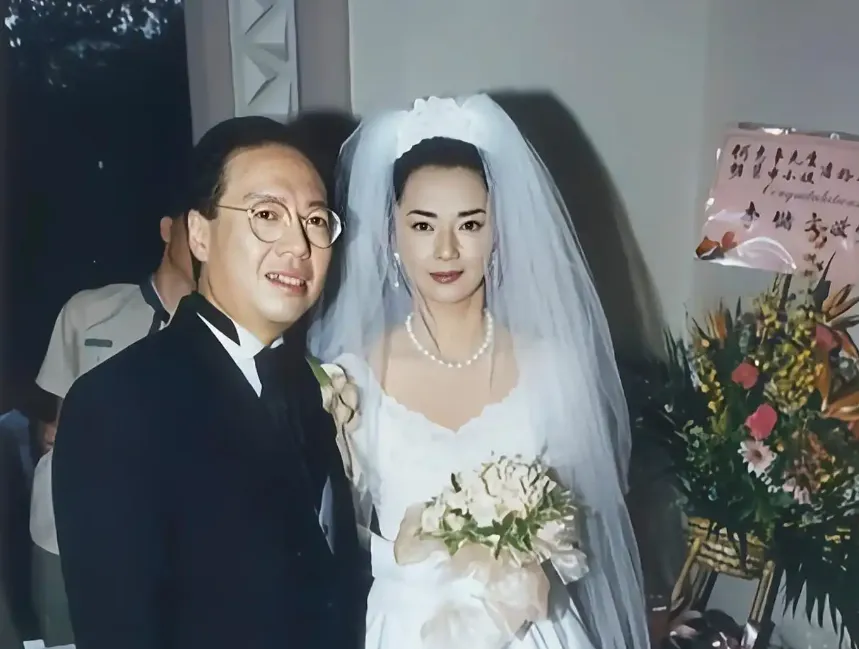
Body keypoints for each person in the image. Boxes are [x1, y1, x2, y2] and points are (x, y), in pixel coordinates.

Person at [310, 95, 651, 648]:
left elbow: (587, 521)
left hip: (532, 631)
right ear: (392, 235)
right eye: (423, 225)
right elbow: (332, 537)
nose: (446, 249)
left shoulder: (554, 370)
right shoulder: (353, 380)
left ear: (498, 231)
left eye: (469, 223)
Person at [52, 115, 364, 649]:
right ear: (199, 234)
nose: (299, 245)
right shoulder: (117, 403)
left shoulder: (305, 385)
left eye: (316, 220)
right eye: (267, 215)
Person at [28, 208, 194, 648]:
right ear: (168, 229)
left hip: (168, 543)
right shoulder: (90, 310)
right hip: (66, 534)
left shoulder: (226, 333)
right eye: (192, 222)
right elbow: (50, 424)